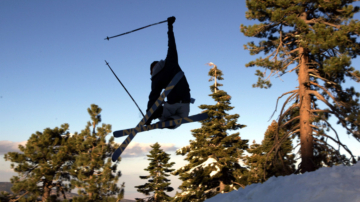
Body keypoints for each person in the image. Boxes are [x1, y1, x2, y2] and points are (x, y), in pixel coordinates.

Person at [145, 16, 191, 126]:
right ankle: (170, 121)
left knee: (163, 113)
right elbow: (171, 43)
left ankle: (162, 116)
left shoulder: (155, 79)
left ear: (151, 71)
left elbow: (153, 97)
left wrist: (148, 116)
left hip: (171, 105)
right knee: (182, 117)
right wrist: (170, 26)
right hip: (185, 100)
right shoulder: (171, 60)